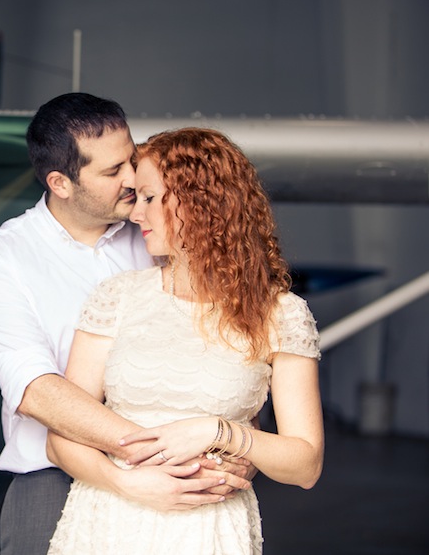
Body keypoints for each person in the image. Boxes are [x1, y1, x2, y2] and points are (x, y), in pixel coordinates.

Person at [0, 94, 253, 555]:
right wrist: (150, 456)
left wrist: (230, 450)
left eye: (131, 159)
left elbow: (229, 348)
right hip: (54, 478)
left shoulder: (162, 229)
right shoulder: (4, 259)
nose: (131, 179)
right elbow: (36, 390)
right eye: (110, 172)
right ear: (60, 183)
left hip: (189, 470)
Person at [46, 127, 324, 555]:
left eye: (150, 198)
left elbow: (305, 465)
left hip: (208, 529)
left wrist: (218, 431)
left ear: (201, 201)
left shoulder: (281, 314)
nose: (136, 214)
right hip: (107, 519)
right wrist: (128, 483)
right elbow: (61, 437)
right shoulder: (117, 297)